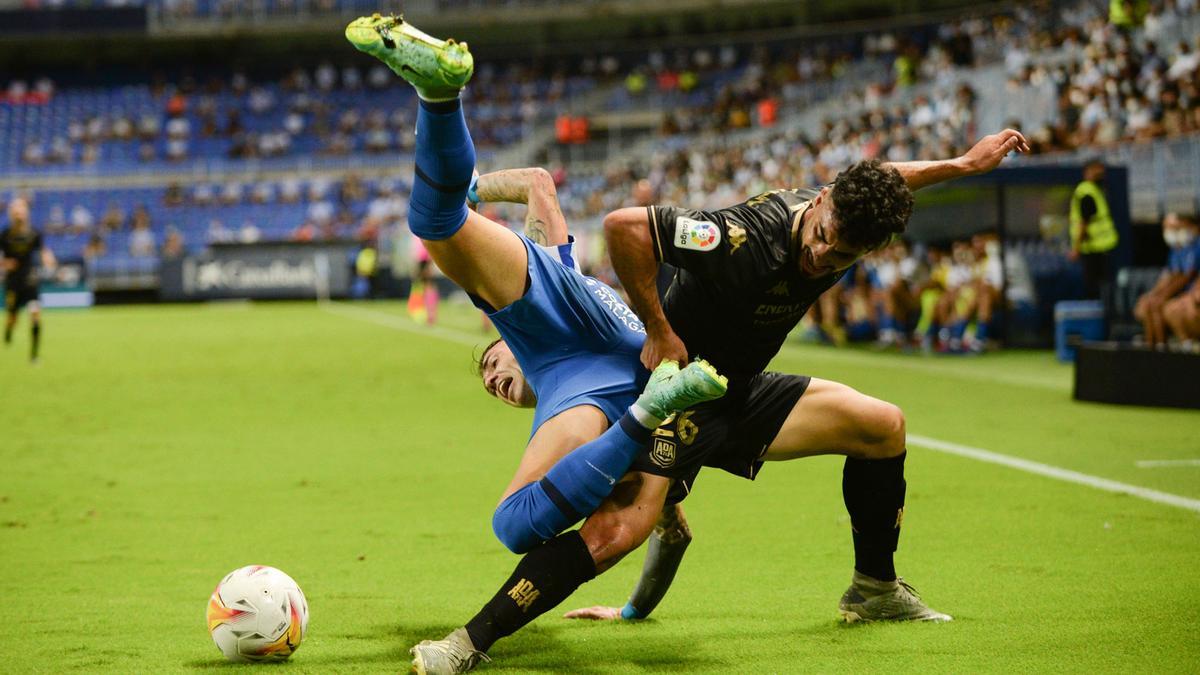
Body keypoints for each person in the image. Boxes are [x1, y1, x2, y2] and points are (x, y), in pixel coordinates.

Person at [347, 15, 1028, 674]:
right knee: (619, 527)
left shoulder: (845, 207)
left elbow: (882, 178)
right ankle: (471, 639)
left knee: (882, 426)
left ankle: (874, 589)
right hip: (676, 385)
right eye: (821, 238)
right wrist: (661, 332)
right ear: (817, 203)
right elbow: (627, 227)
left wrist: (961, 165)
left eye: (843, 252)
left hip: (738, 385)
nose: (822, 257)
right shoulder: (740, 238)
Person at [345, 17, 729, 673]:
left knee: (513, 525)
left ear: (501, 339)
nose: (493, 380)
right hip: (621, 373)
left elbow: (539, 185)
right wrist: (645, 580)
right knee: (435, 221)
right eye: (492, 388)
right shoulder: (559, 290)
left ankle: (442, 99)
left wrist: (474, 189)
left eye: (490, 364)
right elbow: (540, 184)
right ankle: (440, 96)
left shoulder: (551, 281)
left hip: (563, 322)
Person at [2, 198, 57, 363]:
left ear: (26, 212)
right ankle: (8, 331)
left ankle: (34, 355)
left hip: (30, 280)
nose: (19, 212)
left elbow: (43, 250)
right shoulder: (5, 235)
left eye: (21, 209)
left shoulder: (34, 233)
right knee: (13, 318)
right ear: (11, 213)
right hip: (13, 282)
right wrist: (5, 263)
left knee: (35, 314)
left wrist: (48, 258)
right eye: (15, 209)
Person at [1135, 214, 1199, 349]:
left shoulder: (1194, 246)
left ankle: (1177, 345)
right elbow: (1170, 276)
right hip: (1181, 295)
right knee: (1148, 304)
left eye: (1173, 228)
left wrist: (1163, 296)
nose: (1170, 232)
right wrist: (1154, 294)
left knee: (1167, 308)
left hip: (1189, 296)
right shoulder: (1176, 250)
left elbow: (1186, 276)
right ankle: (1154, 346)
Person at [1068, 160, 1120, 301]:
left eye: (1101, 170)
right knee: (1093, 289)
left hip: (1101, 247)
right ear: (1087, 172)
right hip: (1092, 248)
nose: (1099, 173)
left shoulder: (1096, 189)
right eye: (1095, 170)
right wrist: (1076, 249)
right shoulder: (1086, 192)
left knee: (1104, 287)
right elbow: (1083, 223)